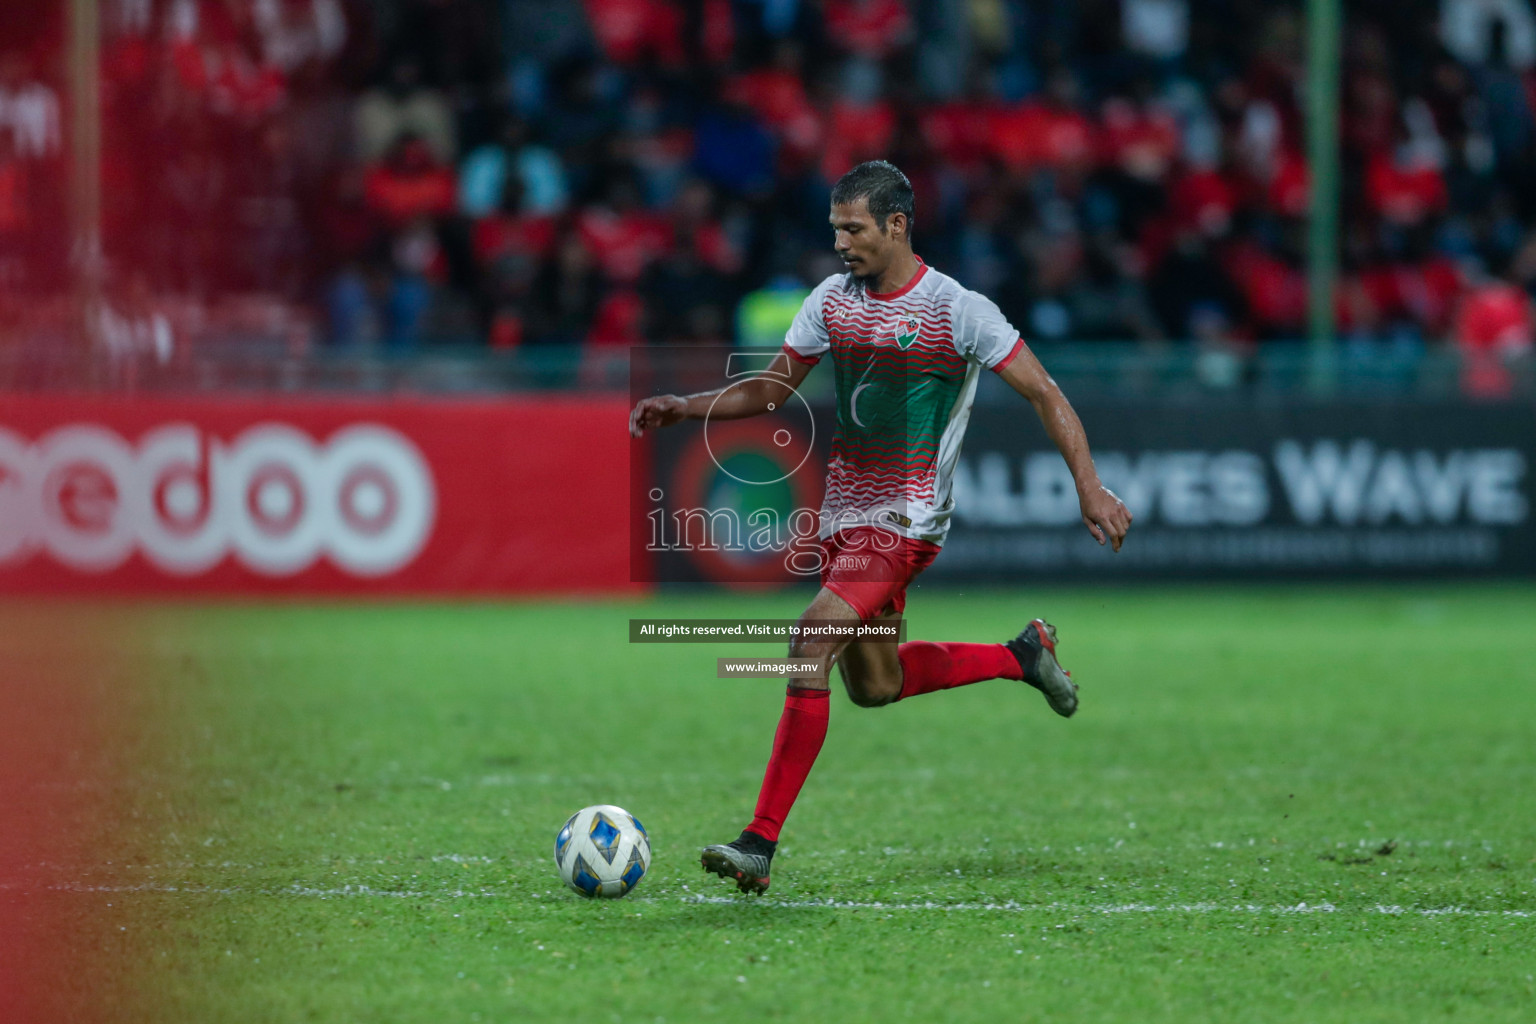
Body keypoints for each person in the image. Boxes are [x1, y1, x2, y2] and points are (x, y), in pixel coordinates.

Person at [628, 161, 1132, 894]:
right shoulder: (831, 301)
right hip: (844, 518)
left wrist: (1090, 485)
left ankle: (759, 840)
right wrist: (686, 405)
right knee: (875, 683)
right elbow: (772, 388)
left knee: (808, 640)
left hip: (907, 519)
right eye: (835, 228)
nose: (840, 242)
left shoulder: (958, 310)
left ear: (897, 225)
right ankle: (1022, 655)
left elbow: (1044, 394)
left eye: (853, 228)